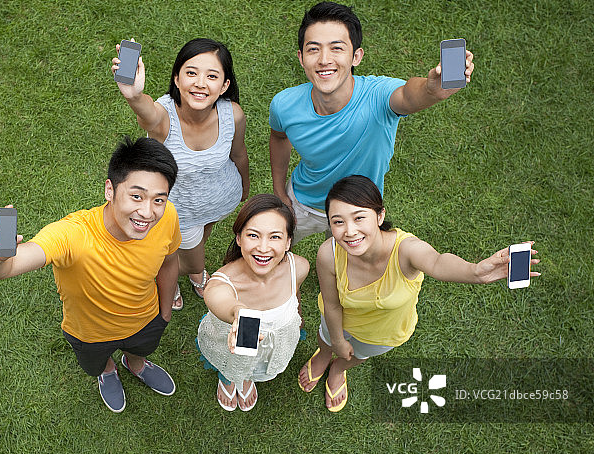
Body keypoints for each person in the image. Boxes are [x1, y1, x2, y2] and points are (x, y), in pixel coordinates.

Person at [297, 175, 540, 411]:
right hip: (337, 321)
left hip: (381, 333)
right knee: (326, 339)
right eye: (338, 221)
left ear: (380, 216)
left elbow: (437, 262)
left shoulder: (406, 250)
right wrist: (338, 340)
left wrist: (475, 271)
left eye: (359, 218)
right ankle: (323, 357)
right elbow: (332, 304)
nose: (349, 231)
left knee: (356, 355)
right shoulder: (328, 253)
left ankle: (339, 370)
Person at [0, 137, 181, 413]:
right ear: (110, 190)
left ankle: (136, 365)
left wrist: (165, 312)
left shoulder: (166, 215)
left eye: (158, 199)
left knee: (141, 349)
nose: (147, 212)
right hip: (89, 334)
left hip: (145, 319)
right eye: (136, 196)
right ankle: (108, 371)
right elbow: (9, 267)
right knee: (97, 362)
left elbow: (170, 261)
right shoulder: (72, 234)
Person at [269, 2, 475, 244]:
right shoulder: (284, 104)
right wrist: (280, 191)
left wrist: (430, 89)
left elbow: (409, 95)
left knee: (345, 268)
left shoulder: (378, 96)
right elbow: (279, 137)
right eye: (314, 49)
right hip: (304, 202)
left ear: (356, 56)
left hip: (358, 211)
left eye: (337, 48)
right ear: (301, 58)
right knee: (276, 249)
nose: (324, 59)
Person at [112, 38, 250, 310]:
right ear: (176, 79)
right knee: (188, 256)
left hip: (220, 197)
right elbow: (147, 114)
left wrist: (244, 186)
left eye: (212, 76)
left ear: (224, 86)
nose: (200, 83)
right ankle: (186, 275)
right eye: (191, 73)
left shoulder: (232, 115)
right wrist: (134, 96)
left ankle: (188, 272)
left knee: (200, 235)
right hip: (180, 210)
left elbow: (239, 154)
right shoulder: (164, 118)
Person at [197, 194, 309, 411]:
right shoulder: (220, 282)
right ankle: (229, 378)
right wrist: (238, 312)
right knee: (232, 364)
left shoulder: (300, 267)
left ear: (288, 242)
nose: (263, 248)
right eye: (253, 235)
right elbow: (220, 299)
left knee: (253, 367)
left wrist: (299, 318)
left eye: (275, 237)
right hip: (228, 345)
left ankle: (246, 378)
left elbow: (295, 297)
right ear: (239, 239)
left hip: (277, 341)